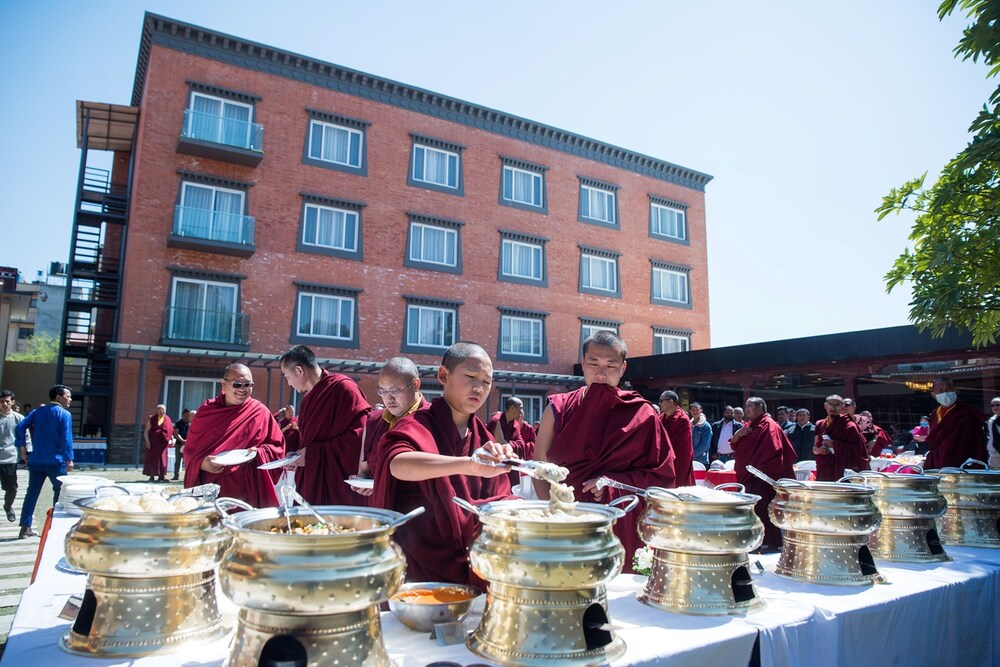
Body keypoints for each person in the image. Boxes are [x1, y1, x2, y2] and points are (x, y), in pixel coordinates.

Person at [371, 342, 515, 586]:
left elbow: (499, 498)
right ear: (443, 375)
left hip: (474, 561)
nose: (479, 388)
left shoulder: (483, 438)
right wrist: (467, 465)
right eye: (471, 376)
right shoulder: (417, 424)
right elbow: (397, 464)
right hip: (418, 562)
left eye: (486, 382)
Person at [533, 331, 676, 572]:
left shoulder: (642, 414)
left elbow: (662, 478)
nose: (601, 373)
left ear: (623, 368)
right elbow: (539, 467)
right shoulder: (559, 408)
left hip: (620, 520)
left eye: (610, 366)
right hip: (567, 520)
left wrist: (614, 484)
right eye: (593, 364)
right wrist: (556, 514)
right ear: (583, 364)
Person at [280, 345, 371, 506]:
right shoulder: (307, 400)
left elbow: (360, 436)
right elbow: (309, 440)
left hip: (338, 486)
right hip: (311, 479)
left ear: (299, 371)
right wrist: (296, 456)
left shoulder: (343, 388)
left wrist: (313, 454)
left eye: (287, 376)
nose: (288, 383)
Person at [183, 363, 284, 507]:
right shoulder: (206, 412)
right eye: (237, 384)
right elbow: (190, 450)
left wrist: (259, 453)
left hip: (247, 490)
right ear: (223, 384)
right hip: (212, 490)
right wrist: (201, 463)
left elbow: (278, 448)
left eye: (248, 384)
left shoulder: (260, 411)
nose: (242, 389)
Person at [353, 357, 428, 498]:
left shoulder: (433, 419)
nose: (389, 399)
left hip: (418, 506)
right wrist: (361, 482)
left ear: (415, 385)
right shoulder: (373, 421)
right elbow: (363, 470)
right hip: (379, 505)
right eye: (383, 391)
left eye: (395, 390)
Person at [730, 397, 796, 551]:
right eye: (745, 405)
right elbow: (735, 446)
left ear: (760, 407)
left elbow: (775, 452)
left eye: (749, 406)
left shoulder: (769, 425)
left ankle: (769, 543)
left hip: (761, 477)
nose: (746, 409)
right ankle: (753, 540)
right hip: (749, 474)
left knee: (763, 509)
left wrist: (760, 471)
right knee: (751, 509)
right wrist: (737, 435)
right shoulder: (749, 425)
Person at [14, 385, 74, 539]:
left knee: (32, 493)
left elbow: (20, 426)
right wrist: (69, 459)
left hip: (36, 460)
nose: (70, 399)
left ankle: (25, 528)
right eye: (68, 396)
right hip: (56, 461)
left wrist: (22, 448)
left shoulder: (37, 412)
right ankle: (55, 526)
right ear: (59, 397)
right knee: (60, 493)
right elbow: (66, 438)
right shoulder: (64, 414)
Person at [923, 378, 988, 469]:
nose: (945, 393)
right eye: (940, 390)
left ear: (956, 391)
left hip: (961, 462)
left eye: (949, 389)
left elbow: (966, 442)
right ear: (933, 395)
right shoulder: (934, 414)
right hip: (937, 461)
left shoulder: (967, 412)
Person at [813, 395, 868, 481]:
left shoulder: (850, 426)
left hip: (842, 470)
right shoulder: (820, 424)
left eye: (837, 405)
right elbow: (814, 448)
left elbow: (860, 451)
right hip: (824, 467)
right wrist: (819, 450)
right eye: (830, 405)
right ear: (825, 406)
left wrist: (834, 444)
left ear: (842, 407)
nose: (833, 408)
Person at [487, 396, 533, 486]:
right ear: (512, 408)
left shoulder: (515, 424)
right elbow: (500, 443)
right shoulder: (496, 421)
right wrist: (511, 444)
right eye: (520, 408)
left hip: (511, 463)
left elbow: (521, 443)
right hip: (496, 463)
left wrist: (507, 443)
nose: (522, 412)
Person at [1, 390, 27, 522]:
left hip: (9, 458)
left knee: (12, 489)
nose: (4, 404)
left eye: (7, 401)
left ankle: (8, 507)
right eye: (1, 402)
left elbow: (26, 437)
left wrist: (26, 453)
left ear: (12, 402)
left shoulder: (19, 418)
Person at [659, 391, 693, 486]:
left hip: (678, 459)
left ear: (671, 402)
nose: (659, 404)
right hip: (662, 459)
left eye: (661, 401)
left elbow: (681, 444)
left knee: (678, 486)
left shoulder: (682, 419)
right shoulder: (661, 417)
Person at [142, 404, 173, 483]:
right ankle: (151, 476)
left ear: (165, 410)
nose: (161, 411)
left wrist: (172, 439)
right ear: (157, 410)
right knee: (152, 459)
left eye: (162, 409)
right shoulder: (152, 419)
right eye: (159, 409)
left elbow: (170, 430)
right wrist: (147, 441)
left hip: (163, 444)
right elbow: (146, 431)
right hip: (153, 443)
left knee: (163, 460)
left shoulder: (167, 419)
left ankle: (162, 476)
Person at [689, 402, 712, 467]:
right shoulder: (689, 425)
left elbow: (705, 445)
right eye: (693, 410)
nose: (695, 412)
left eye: (697, 410)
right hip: (689, 459)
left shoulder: (706, 426)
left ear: (701, 411)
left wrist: (691, 455)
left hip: (701, 460)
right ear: (690, 411)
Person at [172, 408, 192, 481]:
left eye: (188, 415)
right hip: (179, 444)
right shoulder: (178, 423)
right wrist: (182, 440)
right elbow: (176, 433)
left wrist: (187, 441)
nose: (187, 417)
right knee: (178, 460)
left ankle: (187, 476)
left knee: (187, 461)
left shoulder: (190, 424)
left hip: (188, 444)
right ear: (183, 415)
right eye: (185, 415)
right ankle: (176, 475)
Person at [986, 397, 1000, 469]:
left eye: (998, 405)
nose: (995, 407)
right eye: (992, 405)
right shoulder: (991, 420)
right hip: (993, 454)